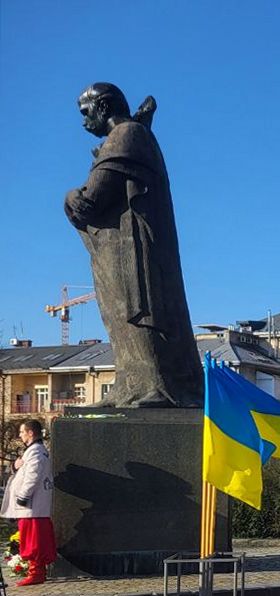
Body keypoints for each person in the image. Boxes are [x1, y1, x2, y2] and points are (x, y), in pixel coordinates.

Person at [63, 83, 202, 407]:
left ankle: (156, 386)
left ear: (105, 106)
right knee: (122, 319)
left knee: (141, 311)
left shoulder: (127, 135)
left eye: (86, 113)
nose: (84, 123)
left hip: (136, 252)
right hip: (122, 249)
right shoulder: (128, 136)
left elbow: (92, 198)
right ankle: (131, 384)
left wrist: (69, 198)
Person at [1, 420, 57, 586]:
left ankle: (36, 572)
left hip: (31, 506)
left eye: (22, 432)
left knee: (34, 540)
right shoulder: (34, 452)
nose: (20, 435)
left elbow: (32, 476)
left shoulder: (36, 453)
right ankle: (37, 571)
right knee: (32, 538)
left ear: (31, 433)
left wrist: (23, 497)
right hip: (32, 507)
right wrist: (15, 467)